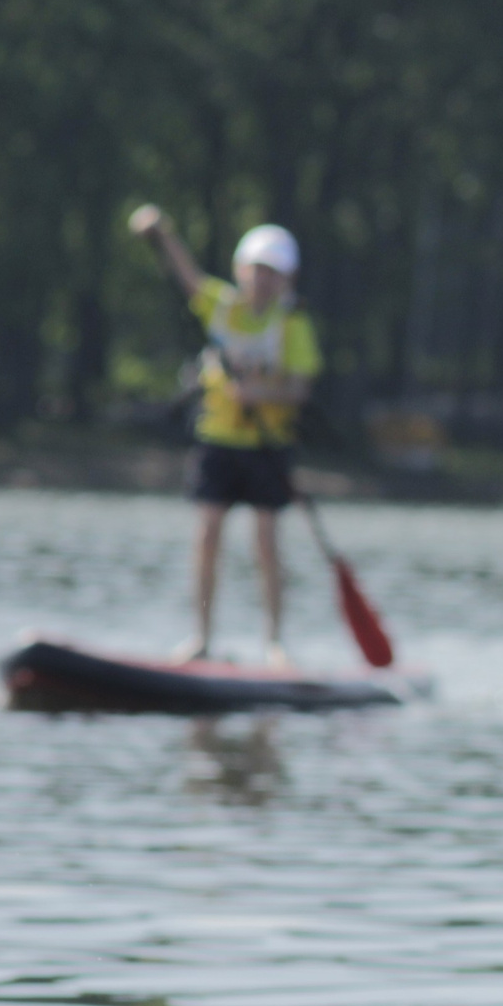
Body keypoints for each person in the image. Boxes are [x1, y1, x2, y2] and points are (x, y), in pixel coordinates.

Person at [127, 205, 322, 666]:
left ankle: (275, 643)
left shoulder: (293, 323)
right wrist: (162, 231)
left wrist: (262, 391)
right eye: (256, 270)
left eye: (272, 273)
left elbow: (299, 389)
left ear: (286, 279)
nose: (262, 280)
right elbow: (185, 275)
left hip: (267, 446)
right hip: (217, 439)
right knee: (208, 534)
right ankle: (202, 637)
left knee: (266, 540)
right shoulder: (222, 306)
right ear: (241, 270)